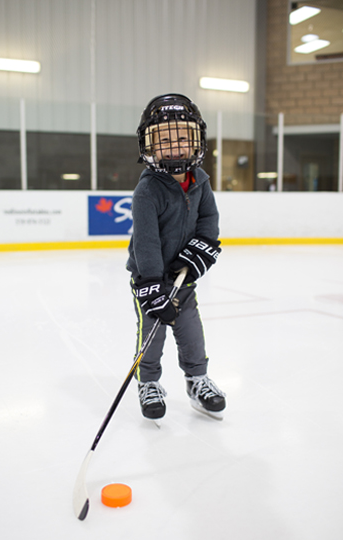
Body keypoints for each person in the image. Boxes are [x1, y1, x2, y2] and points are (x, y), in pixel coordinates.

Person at [127, 93, 225, 421]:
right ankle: (149, 383)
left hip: (183, 279)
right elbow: (145, 243)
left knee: (191, 332)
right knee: (152, 336)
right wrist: (153, 285)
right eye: (164, 140)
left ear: (197, 140)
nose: (175, 146)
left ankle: (197, 380)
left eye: (183, 137)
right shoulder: (147, 191)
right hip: (151, 280)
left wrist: (200, 253)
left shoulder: (201, 182)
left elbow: (208, 222)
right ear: (149, 145)